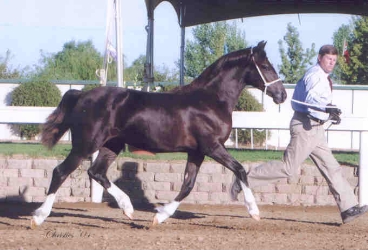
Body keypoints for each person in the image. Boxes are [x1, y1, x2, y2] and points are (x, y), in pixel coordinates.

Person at [231, 44, 368, 224]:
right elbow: (312, 98)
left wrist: (330, 112)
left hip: (315, 128)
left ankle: (348, 208)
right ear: (320, 58)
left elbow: (317, 101)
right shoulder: (315, 75)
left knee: (331, 167)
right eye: (329, 59)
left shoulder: (321, 76)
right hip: (305, 127)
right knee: (288, 168)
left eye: (334, 60)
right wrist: (326, 108)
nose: (332, 63)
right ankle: (244, 180)